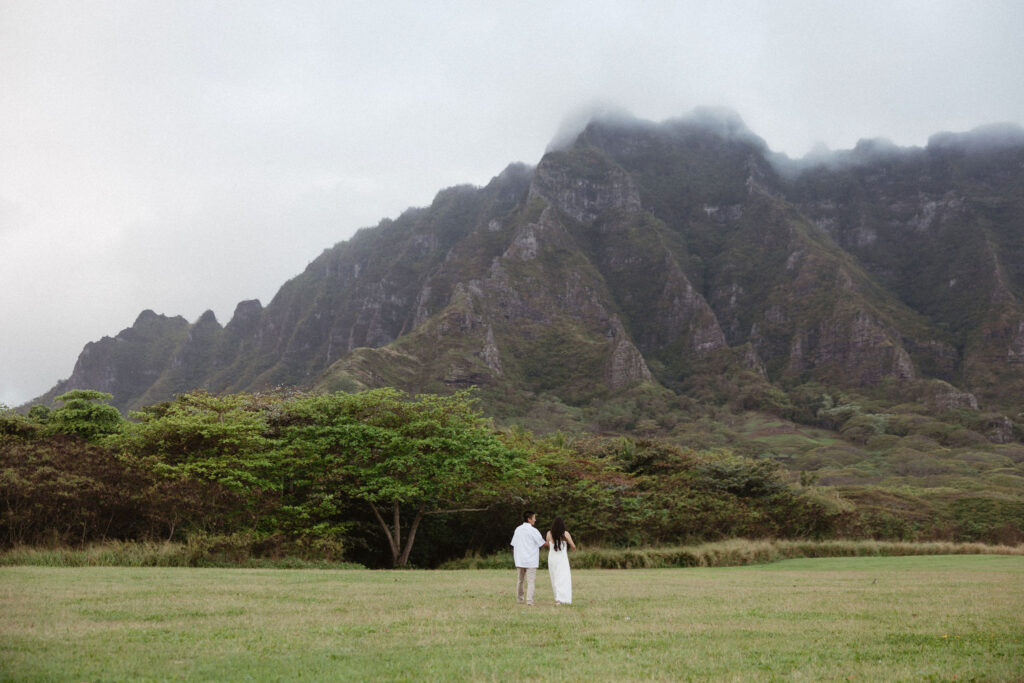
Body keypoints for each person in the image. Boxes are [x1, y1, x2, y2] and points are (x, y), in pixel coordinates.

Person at [510, 511, 547, 606]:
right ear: (529, 519)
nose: (535, 520)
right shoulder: (533, 531)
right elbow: (542, 543)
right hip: (531, 560)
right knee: (531, 582)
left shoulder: (518, 529)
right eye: (534, 518)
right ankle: (529, 601)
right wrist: (554, 544)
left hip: (520, 559)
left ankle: (520, 600)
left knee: (520, 581)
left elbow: (514, 543)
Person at [546, 516, 576, 605]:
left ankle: (557, 598)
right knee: (563, 578)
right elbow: (573, 546)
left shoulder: (549, 533)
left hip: (552, 558)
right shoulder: (565, 534)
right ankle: (562, 598)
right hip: (562, 559)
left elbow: (549, 545)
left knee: (554, 577)